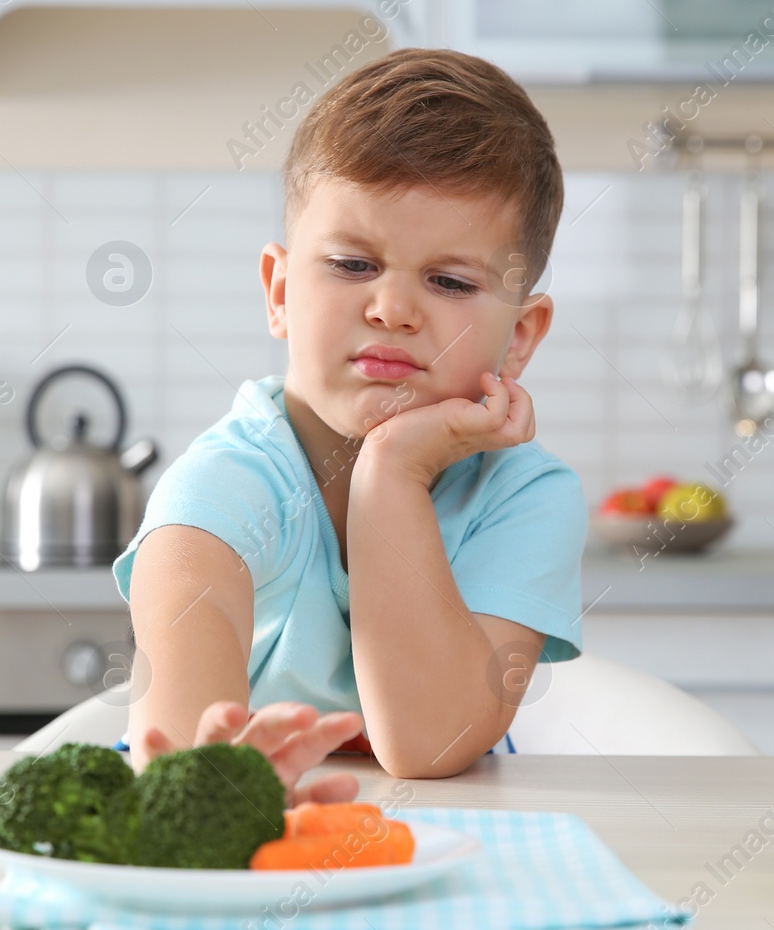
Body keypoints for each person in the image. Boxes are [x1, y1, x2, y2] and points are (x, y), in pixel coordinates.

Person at [111, 48, 586, 803]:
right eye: (353, 265)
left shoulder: (528, 497)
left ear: (521, 336)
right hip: (246, 850)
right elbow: (186, 779)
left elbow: (431, 742)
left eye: (450, 281)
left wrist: (393, 470)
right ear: (279, 290)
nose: (392, 309)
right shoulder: (222, 488)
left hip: (455, 854)